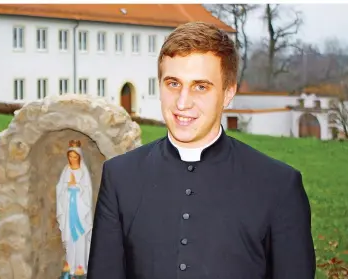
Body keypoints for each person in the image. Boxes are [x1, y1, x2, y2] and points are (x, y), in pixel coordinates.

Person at [87, 22, 315, 279]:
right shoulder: (119, 178)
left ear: (228, 93)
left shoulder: (279, 186)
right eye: (173, 84)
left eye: (200, 87)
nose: (183, 103)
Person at [56, 139, 93, 276]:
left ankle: (80, 265)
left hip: (80, 210)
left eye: (75, 156)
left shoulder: (83, 172)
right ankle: (69, 262)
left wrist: (76, 186)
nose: (72, 159)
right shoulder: (66, 170)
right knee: (70, 236)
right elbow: (59, 188)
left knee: (80, 236)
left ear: (79, 157)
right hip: (68, 208)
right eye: (70, 156)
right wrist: (67, 187)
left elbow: (87, 191)